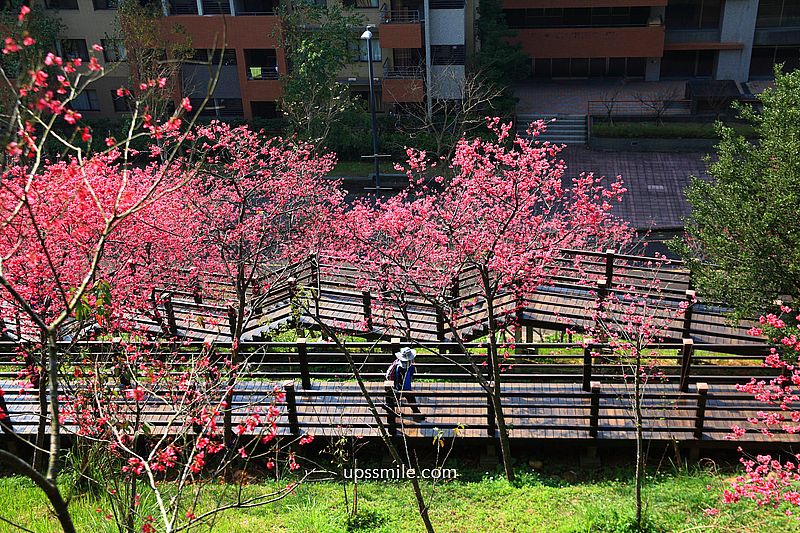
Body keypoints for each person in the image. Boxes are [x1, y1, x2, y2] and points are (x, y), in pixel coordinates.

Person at [385, 347, 424, 420]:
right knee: (410, 398)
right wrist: (406, 390)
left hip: (398, 385)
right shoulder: (403, 368)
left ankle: (388, 408)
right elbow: (403, 380)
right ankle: (417, 414)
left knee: (396, 398)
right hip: (400, 386)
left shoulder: (398, 362)